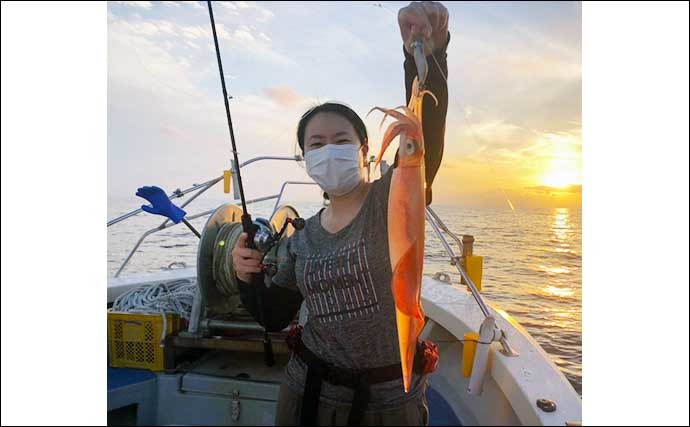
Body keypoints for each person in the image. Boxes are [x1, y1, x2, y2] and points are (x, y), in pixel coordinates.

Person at [232, 2, 449, 425]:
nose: (328, 150)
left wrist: (426, 54)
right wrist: (247, 278)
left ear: (365, 151)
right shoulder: (302, 237)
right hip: (308, 395)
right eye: (316, 144)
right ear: (304, 158)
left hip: (389, 402)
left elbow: (424, 142)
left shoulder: (391, 198)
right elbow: (274, 314)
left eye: (340, 139)